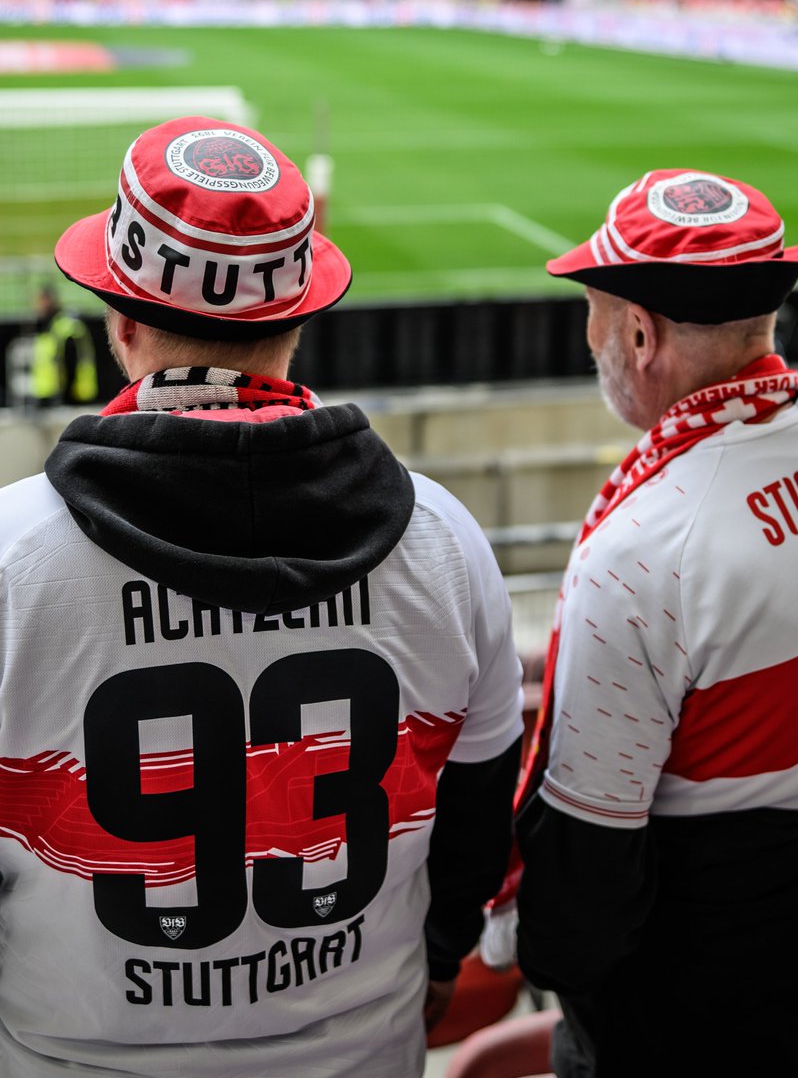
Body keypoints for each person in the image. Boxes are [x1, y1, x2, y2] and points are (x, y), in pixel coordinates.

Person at [0, 116, 523, 1078]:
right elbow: (481, 813)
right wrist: (440, 956)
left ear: (118, 322)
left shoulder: (9, 559)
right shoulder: (445, 540)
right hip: (365, 1046)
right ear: (298, 318)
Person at [508, 168, 798, 1077]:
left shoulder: (646, 549)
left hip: (676, 1023)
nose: (592, 335)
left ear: (639, 336)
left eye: (598, 311)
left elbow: (582, 890)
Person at [30, 284, 98, 405]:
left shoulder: (65, 325)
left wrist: (65, 395)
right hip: (48, 396)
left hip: (69, 397)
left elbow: (71, 363)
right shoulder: (45, 327)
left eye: (42, 300)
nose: (39, 306)